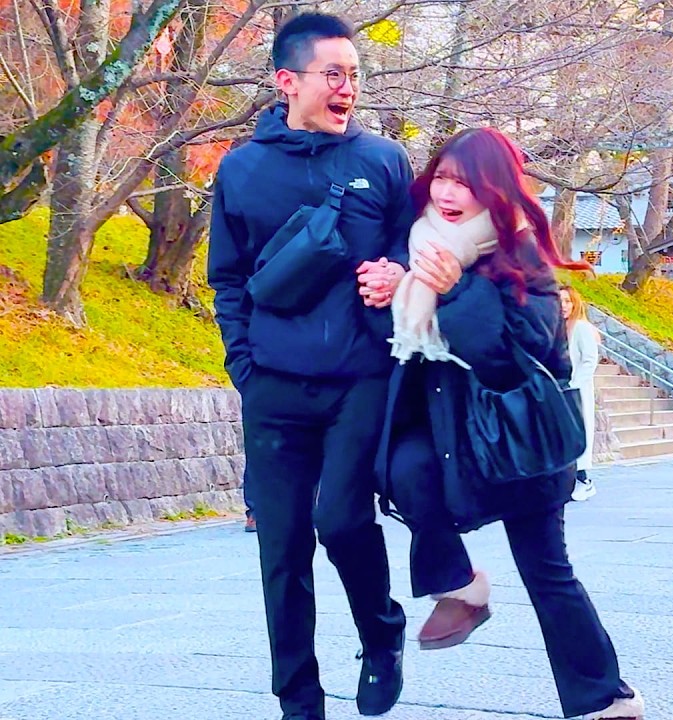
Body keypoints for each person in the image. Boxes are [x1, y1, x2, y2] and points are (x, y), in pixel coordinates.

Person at [375, 127, 644, 720]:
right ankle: (463, 585)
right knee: (399, 470)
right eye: (442, 177)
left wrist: (454, 292)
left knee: (548, 574)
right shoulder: (418, 242)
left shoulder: (523, 258)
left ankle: (607, 700)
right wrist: (394, 284)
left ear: (493, 191)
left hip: (521, 444)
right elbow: (402, 333)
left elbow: (506, 366)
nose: (448, 192)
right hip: (451, 437)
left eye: (465, 183)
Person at [207, 13, 410, 720]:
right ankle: (299, 701)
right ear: (287, 81)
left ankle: (382, 635)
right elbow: (226, 279)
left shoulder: (383, 161)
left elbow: (412, 249)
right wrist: (245, 365)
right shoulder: (239, 169)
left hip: (361, 375)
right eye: (334, 73)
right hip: (273, 385)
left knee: (343, 521)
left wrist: (398, 272)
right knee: (282, 547)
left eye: (354, 74)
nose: (347, 87)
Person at [561, 286, 602, 501]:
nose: (563, 306)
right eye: (559, 301)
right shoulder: (557, 328)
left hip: (576, 390)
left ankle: (584, 479)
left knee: (580, 431)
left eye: (567, 301)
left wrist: (575, 384)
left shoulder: (582, 328)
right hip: (560, 390)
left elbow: (589, 360)